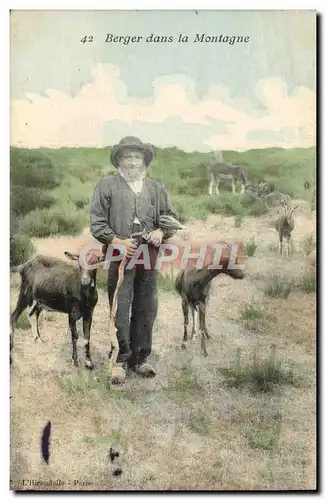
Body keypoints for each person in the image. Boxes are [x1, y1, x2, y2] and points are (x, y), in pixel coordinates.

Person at [90, 136, 179, 384]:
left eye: (136, 157)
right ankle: (119, 359)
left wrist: (162, 232)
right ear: (118, 160)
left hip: (149, 254)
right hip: (121, 254)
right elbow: (97, 223)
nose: (132, 162)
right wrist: (118, 242)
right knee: (120, 306)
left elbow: (170, 217)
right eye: (126, 157)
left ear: (144, 161)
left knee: (146, 307)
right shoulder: (106, 186)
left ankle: (140, 358)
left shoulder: (155, 188)